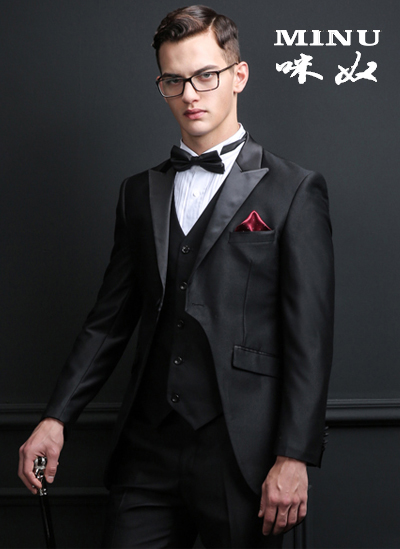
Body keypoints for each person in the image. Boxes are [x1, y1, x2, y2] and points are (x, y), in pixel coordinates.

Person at [18, 5, 334, 548]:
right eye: (174, 80)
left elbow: (310, 338)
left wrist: (295, 455)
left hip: (245, 454)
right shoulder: (138, 193)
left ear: (238, 75)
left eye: (205, 75)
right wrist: (56, 418)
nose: (191, 94)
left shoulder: (294, 190)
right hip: (147, 449)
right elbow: (108, 322)